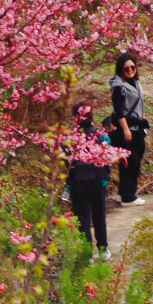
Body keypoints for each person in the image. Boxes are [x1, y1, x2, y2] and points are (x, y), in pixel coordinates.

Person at [65, 100, 115, 258]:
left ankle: (86, 254)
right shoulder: (101, 136)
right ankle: (103, 249)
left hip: (77, 182)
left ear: (75, 118)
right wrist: (105, 177)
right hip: (97, 181)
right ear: (91, 117)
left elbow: (64, 160)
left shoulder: (69, 138)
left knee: (83, 219)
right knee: (99, 215)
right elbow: (108, 157)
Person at [109, 50, 149, 204]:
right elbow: (119, 111)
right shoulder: (119, 87)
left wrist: (143, 120)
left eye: (133, 67)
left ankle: (124, 192)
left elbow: (139, 104)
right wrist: (126, 129)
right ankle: (128, 196)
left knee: (134, 160)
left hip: (138, 127)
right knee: (130, 162)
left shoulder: (136, 83)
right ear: (120, 70)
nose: (131, 71)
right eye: (126, 69)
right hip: (127, 129)